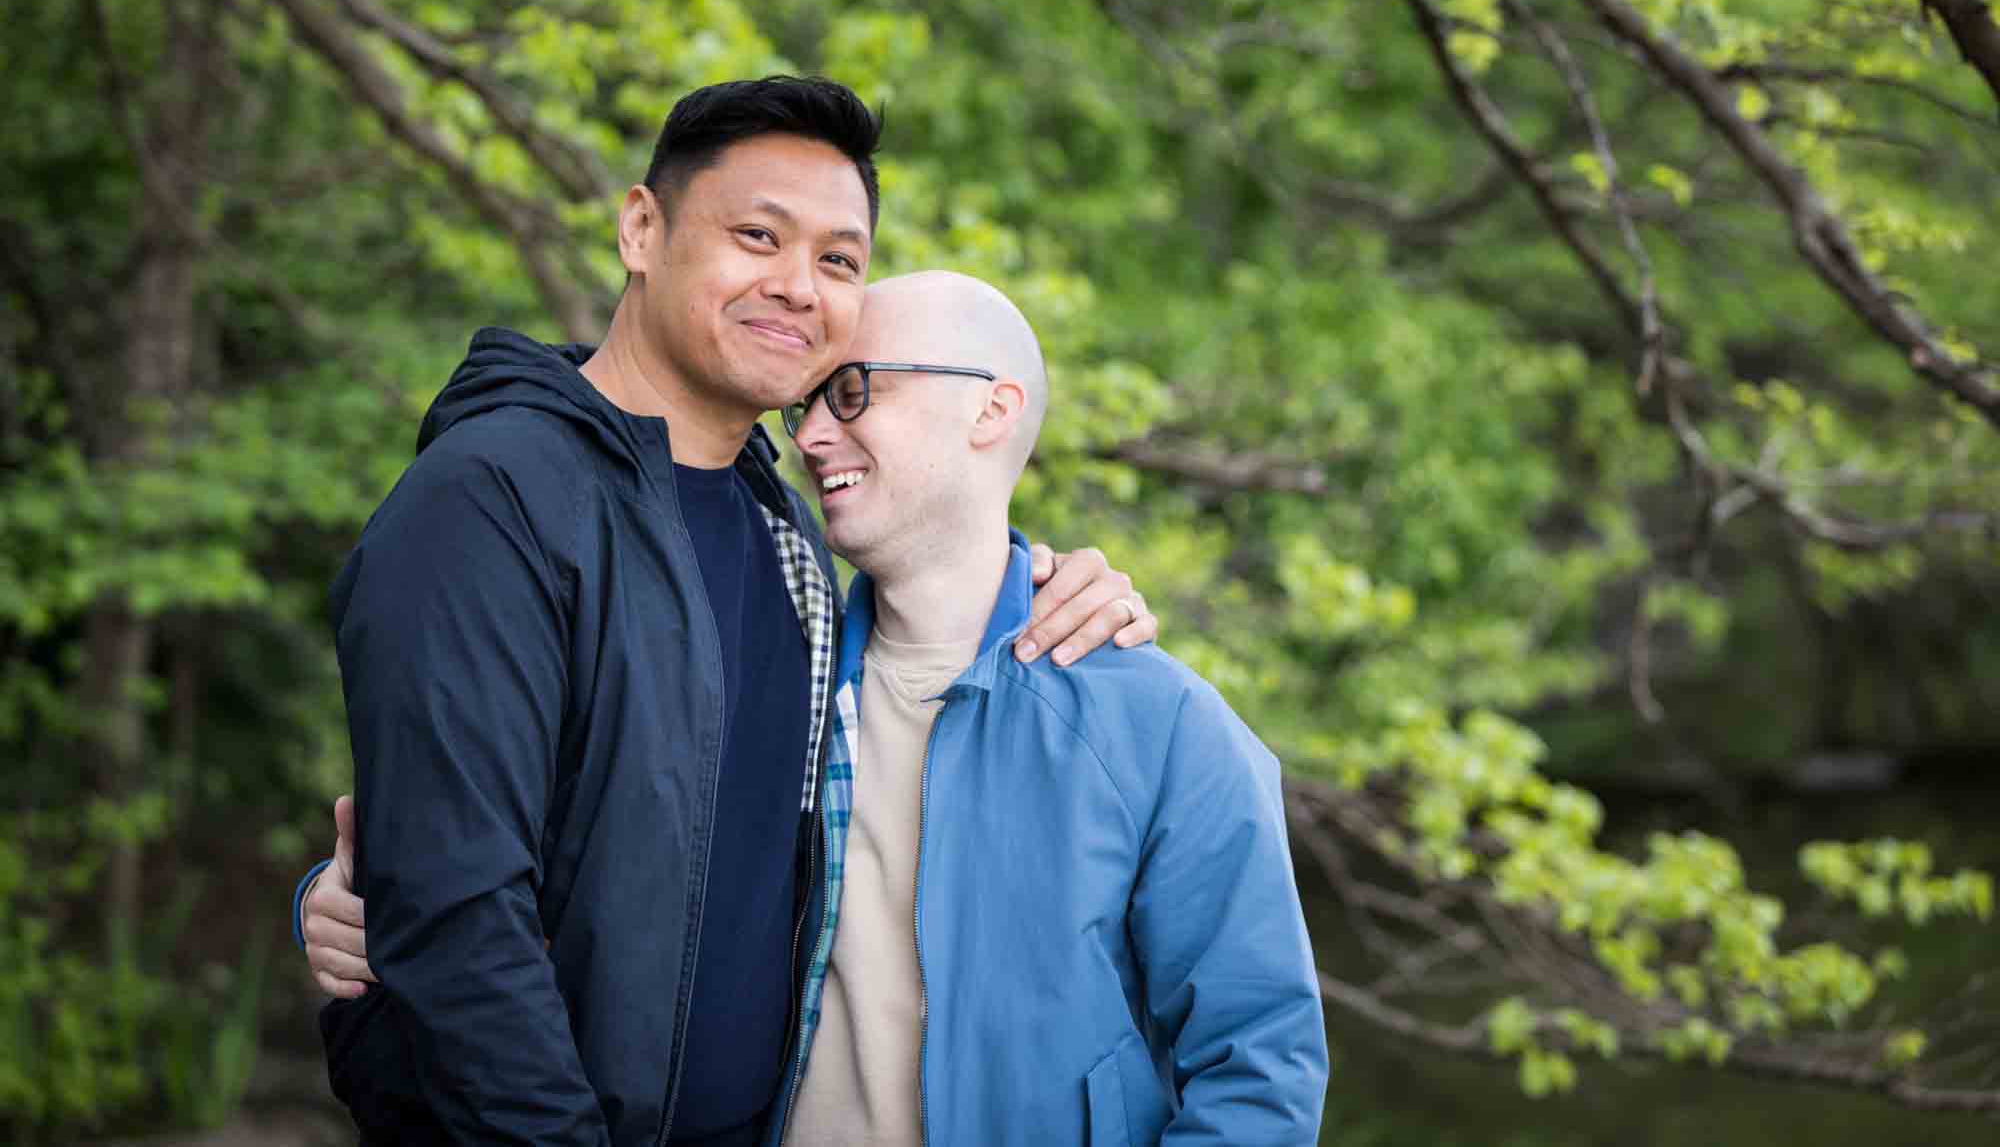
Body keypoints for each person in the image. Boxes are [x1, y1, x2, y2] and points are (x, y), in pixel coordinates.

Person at [305, 76, 1157, 1147]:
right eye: (758, 236)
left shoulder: (789, 539)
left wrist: (1046, 581)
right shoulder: (492, 501)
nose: (798, 285)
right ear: (641, 230)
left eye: (838, 260)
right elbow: (459, 910)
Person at [307, 270, 1330, 1144]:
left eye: (850, 393)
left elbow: (1260, 1071)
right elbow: (569, 832)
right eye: (804, 407)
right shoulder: (776, 657)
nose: (809, 436)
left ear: (992, 408)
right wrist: (353, 898)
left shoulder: (1159, 726)